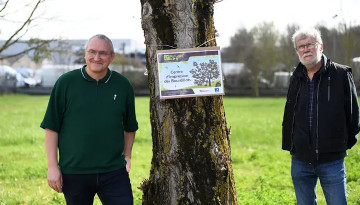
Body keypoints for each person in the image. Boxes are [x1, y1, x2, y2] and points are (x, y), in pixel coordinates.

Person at [41, 34, 138, 205]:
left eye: (103, 53)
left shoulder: (122, 85)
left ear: (111, 56)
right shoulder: (66, 83)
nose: (97, 57)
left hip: (114, 171)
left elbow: (130, 126)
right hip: (75, 172)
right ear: (85, 54)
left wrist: (127, 156)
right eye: (92, 52)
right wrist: (52, 167)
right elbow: (51, 127)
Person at [282, 27, 360, 205]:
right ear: (297, 51)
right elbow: (290, 114)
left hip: (331, 160)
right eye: (300, 46)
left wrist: (340, 146)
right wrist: (293, 146)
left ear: (321, 46)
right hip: (300, 160)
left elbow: (354, 116)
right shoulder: (295, 78)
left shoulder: (341, 74)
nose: (305, 49)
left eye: (310, 44)